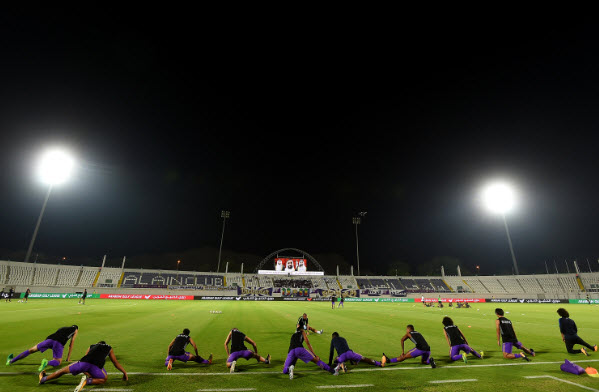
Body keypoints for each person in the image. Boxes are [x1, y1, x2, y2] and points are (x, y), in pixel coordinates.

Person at [38, 340, 127, 392]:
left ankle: (44, 379)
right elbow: (115, 363)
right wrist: (124, 373)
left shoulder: (92, 346)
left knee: (62, 371)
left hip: (83, 363)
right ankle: (87, 381)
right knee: (104, 379)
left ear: (97, 344)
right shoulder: (109, 348)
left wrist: (82, 370)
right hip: (96, 367)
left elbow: (85, 358)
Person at [7, 325, 78, 371]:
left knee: (31, 350)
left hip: (49, 339)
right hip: (59, 343)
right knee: (58, 361)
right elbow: (71, 344)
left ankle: (11, 361)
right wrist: (68, 358)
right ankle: (46, 362)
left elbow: (56, 334)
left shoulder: (63, 328)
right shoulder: (75, 330)